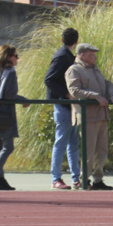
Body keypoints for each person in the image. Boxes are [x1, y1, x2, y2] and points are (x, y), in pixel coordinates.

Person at [65, 43, 113, 190]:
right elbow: (74, 90)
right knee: (88, 151)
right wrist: (95, 96)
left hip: (102, 115)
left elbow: (107, 83)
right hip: (87, 117)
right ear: (82, 55)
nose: (95, 57)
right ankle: (83, 180)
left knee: (102, 151)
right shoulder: (74, 70)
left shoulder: (95, 70)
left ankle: (98, 180)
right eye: (91, 54)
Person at [0, 45, 29, 191]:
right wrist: (23, 99)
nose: (17, 58)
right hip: (5, 112)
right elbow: (8, 94)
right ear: (9, 57)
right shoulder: (10, 71)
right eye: (15, 55)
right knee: (8, 146)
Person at [44, 28, 80, 190]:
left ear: (61, 39)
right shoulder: (61, 57)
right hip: (62, 105)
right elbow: (49, 79)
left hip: (68, 105)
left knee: (72, 142)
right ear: (76, 41)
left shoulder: (67, 56)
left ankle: (76, 178)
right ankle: (55, 178)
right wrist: (66, 94)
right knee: (62, 141)